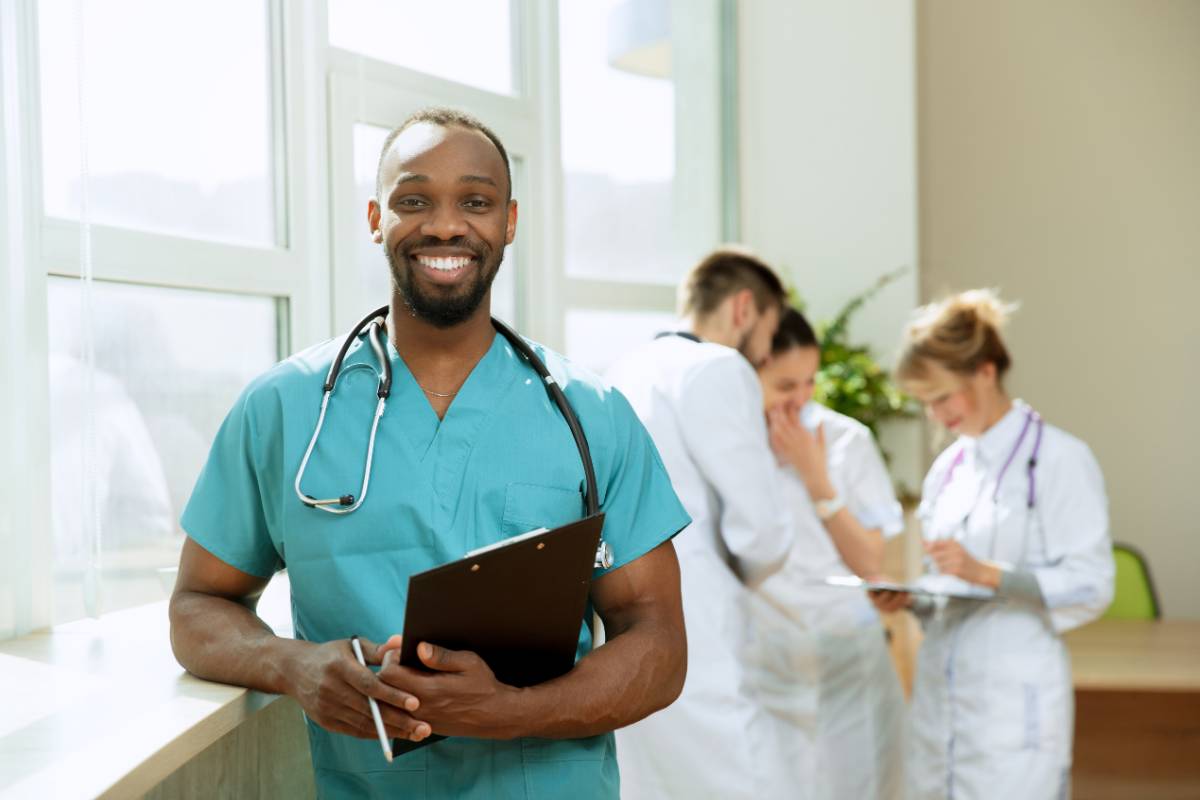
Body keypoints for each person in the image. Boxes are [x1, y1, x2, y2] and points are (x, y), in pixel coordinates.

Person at [168, 107, 692, 799]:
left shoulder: (591, 416)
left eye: (473, 202)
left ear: (509, 221)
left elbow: (657, 643)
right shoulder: (285, 409)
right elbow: (198, 605)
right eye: (413, 200)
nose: (445, 225)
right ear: (375, 218)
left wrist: (514, 712)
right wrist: (291, 665)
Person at [871, 290, 1114, 799]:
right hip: (942, 700)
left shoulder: (1059, 459)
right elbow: (949, 586)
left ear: (984, 371)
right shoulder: (949, 470)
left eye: (943, 398)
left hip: (1014, 706)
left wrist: (991, 574)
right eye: (926, 404)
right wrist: (913, 600)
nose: (936, 416)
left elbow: (1093, 584)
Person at [606, 247, 794, 800]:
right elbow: (760, 532)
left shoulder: (620, 370)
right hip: (700, 617)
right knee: (742, 778)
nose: (765, 351)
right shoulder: (719, 367)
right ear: (744, 309)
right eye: (770, 331)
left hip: (622, 618)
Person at [746, 307, 906, 799]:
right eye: (784, 385)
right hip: (762, 665)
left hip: (847, 660)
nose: (800, 399)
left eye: (809, 383)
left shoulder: (845, 441)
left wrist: (816, 477)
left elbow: (872, 564)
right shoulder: (732, 447)